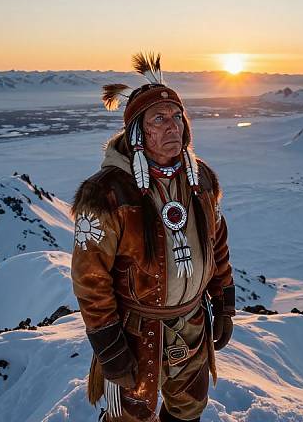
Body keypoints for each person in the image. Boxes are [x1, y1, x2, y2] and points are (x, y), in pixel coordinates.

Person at [71, 52, 235, 422]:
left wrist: (223, 302)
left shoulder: (202, 180)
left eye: (177, 117)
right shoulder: (106, 194)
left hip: (192, 324)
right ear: (136, 132)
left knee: (188, 408)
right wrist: (110, 347)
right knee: (130, 416)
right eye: (159, 119)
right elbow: (89, 279)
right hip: (134, 333)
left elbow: (217, 244)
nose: (173, 126)